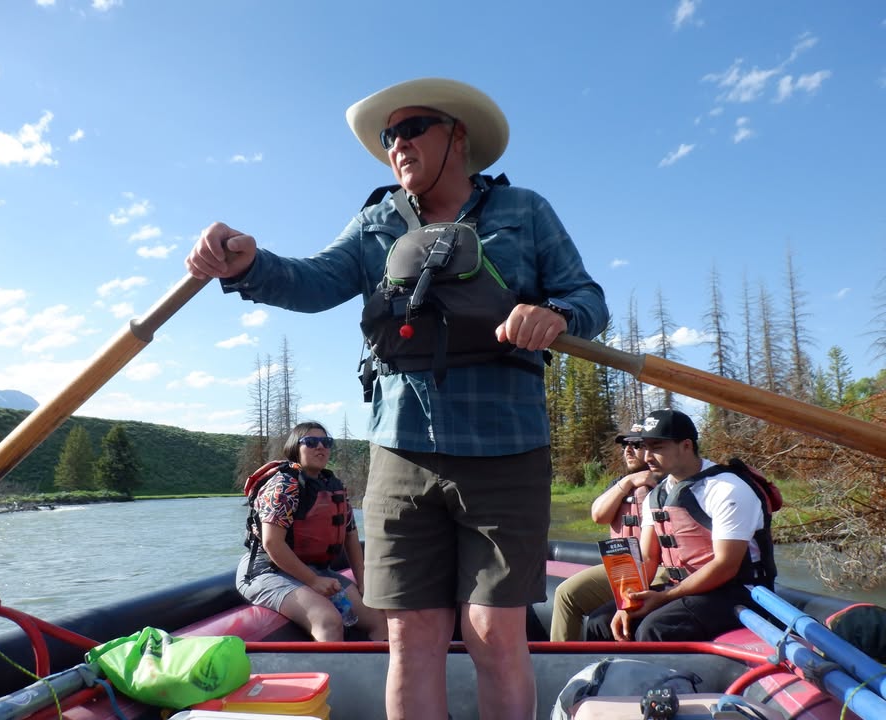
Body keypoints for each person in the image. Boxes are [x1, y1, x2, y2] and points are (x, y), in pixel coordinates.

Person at [187, 77, 608, 720]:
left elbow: (589, 300)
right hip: (401, 454)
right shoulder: (378, 221)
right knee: (410, 637)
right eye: (389, 137)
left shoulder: (524, 210)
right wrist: (248, 265)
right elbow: (312, 280)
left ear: (457, 137)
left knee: (496, 635)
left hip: (507, 450)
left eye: (412, 129)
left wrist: (554, 314)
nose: (397, 146)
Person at [584, 409, 776, 643]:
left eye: (657, 447)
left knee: (655, 629)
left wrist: (665, 598)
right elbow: (647, 557)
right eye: (645, 447)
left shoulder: (726, 489)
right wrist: (628, 602)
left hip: (738, 591)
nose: (647, 457)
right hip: (684, 588)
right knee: (599, 621)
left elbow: (726, 565)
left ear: (686, 445)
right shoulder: (657, 495)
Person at [235, 421, 387, 642]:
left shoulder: (333, 486)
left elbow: (350, 536)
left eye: (326, 442)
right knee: (327, 619)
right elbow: (272, 543)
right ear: (296, 448)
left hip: (315, 569)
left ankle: (382, 675)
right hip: (266, 570)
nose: (320, 447)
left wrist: (363, 583)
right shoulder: (283, 485)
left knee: (376, 617)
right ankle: (333, 677)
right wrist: (313, 581)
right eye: (311, 442)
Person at [549, 423, 658, 641]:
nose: (627, 450)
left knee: (598, 616)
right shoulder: (619, 484)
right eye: (625, 445)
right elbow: (599, 516)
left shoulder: (666, 484)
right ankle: (560, 660)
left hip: (657, 568)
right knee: (566, 594)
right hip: (624, 566)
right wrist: (628, 482)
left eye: (636, 444)